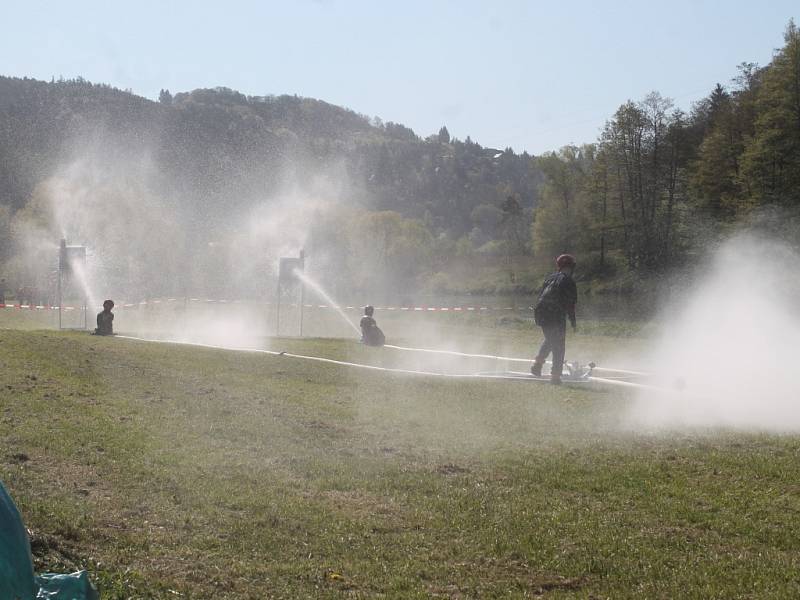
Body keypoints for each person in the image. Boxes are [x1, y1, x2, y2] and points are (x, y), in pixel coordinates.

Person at [531, 254, 578, 384]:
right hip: (555, 313)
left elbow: (541, 295)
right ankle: (555, 377)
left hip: (540, 312)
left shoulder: (549, 278)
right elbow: (571, 304)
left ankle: (538, 363)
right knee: (559, 345)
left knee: (551, 339)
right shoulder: (569, 281)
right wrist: (573, 320)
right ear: (572, 267)